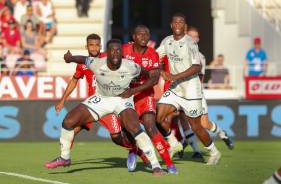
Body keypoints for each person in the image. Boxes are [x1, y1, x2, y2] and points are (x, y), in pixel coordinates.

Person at [45, 39, 166, 176]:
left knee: (135, 128)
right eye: (112, 51)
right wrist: (70, 58)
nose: (115, 53)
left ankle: (155, 165)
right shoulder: (97, 63)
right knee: (68, 121)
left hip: (122, 100)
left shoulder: (131, 66)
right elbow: (82, 59)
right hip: (101, 99)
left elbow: (150, 75)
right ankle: (65, 158)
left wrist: (134, 90)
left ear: (122, 53)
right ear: (107, 53)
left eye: (118, 51)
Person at [156, 13, 221, 165]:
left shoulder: (190, 43)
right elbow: (155, 57)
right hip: (175, 89)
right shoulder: (167, 41)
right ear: (171, 25)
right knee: (158, 116)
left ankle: (214, 152)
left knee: (197, 127)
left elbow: (197, 66)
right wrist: (161, 71)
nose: (178, 24)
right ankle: (174, 144)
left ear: (184, 26)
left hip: (191, 91)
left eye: (181, 22)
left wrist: (175, 76)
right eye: (175, 22)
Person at [122, 25, 177, 174]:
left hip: (145, 96)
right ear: (134, 37)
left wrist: (134, 90)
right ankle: (133, 150)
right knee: (129, 131)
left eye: (147, 34)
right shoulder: (124, 50)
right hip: (126, 98)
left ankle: (169, 163)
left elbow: (153, 80)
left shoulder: (152, 54)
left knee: (151, 127)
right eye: (140, 34)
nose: (144, 37)